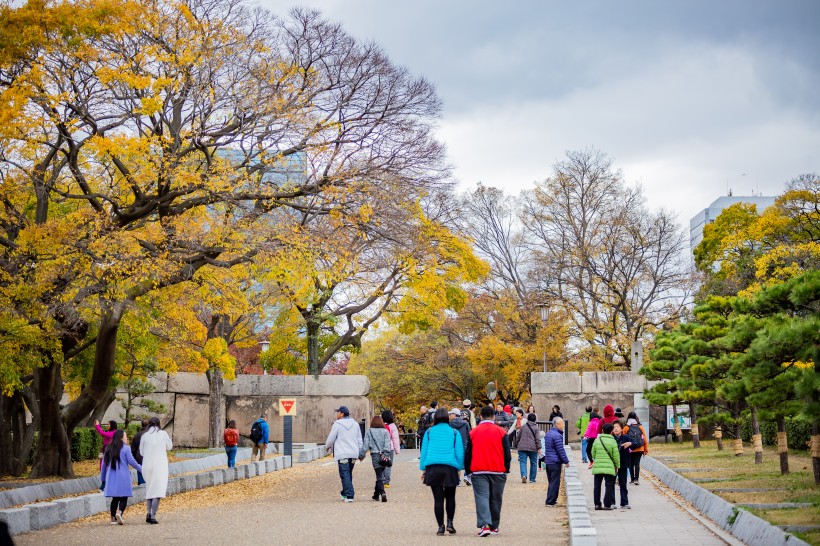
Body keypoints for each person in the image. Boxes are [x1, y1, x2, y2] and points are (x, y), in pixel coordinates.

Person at [465, 405, 511, 537]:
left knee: (482, 497)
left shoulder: (473, 432)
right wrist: (506, 469)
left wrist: (468, 470)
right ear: (494, 416)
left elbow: (468, 453)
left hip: (479, 469)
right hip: (497, 469)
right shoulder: (501, 432)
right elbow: (507, 454)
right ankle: (494, 526)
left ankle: (484, 525)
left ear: (480, 416)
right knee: (496, 498)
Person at [420, 408, 465, 536]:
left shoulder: (429, 432)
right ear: (447, 417)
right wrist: (459, 468)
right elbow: (459, 452)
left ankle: (440, 526)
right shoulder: (454, 432)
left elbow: (424, 452)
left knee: (438, 499)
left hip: (433, 467)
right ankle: (450, 522)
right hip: (450, 467)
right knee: (451, 497)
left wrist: (423, 469)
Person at [100, 429, 142, 525]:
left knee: (115, 498)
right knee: (124, 497)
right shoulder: (126, 448)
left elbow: (104, 465)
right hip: (123, 476)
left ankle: (112, 518)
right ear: (121, 438)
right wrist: (142, 469)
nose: (127, 438)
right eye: (125, 436)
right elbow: (132, 462)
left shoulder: (108, 448)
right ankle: (120, 512)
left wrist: (103, 478)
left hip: (111, 476)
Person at [325, 406, 363, 502]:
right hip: (353, 453)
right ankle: (344, 493)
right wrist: (360, 450)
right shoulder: (355, 424)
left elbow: (331, 438)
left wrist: (327, 446)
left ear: (342, 414)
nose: (337, 414)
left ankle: (350, 495)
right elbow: (359, 439)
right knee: (348, 473)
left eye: (338, 412)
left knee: (344, 474)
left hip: (342, 453)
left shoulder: (337, 424)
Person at [139, 417, 172, 524]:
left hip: (147, 465)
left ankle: (148, 512)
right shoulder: (163, 434)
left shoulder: (145, 435)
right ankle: (153, 516)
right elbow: (169, 446)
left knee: (149, 490)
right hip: (160, 466)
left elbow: (141, 452)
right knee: (158, 491)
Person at [360, 415, 392, 503]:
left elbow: (366, 444)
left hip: (375, 455)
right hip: (384, 456)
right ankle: (376, 495)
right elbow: (388, 444)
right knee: (380, 475)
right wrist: (386, 453)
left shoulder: (369, 431)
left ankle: (382, 492)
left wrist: (361, 455)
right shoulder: (385, 431)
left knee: (379, 476)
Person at [591, 423, 619, 510]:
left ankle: (597, 504)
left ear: (602, 430)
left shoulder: (597, 440)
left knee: (597, 485)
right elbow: (616, 456)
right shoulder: (613, 441)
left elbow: (593, 453)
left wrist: (597, 459)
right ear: (611, 432)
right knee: (609, 485)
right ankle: (607, 504)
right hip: (609, 467)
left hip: (598, 466)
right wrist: (617, 465)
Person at [544, 416, 570, 505]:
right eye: (562, 423)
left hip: (548, 461)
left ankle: (551, 500)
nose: (564, 425)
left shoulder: (548, 434)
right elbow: (560, 450)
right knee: (554, 482)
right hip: (555, 462)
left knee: (551, 482)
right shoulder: (557, 435)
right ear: (558, 424)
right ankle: (550, 501)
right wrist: (566, 461)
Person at [516, 413, 541, 484]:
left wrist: (517, 445)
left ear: (528, 419)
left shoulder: (523, 427)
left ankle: (524, 475)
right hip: (533, 448)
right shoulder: (536, 428)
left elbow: (518, 437)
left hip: (522, 447)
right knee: (533, 463)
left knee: (523, 462)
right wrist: (539, 447)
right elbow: (538, 439)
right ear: (535, 420)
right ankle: (532, 479)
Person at [612, 421, 632, 509]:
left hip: (623, 463)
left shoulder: (626, 437)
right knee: (611, 483)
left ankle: (624, 502)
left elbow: (637, 443)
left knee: (623, 483)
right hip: (612, 464)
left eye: (618, 427)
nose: (616, 428)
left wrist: (630, 443)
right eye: (614, 427)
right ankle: (612, 502)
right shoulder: (610, 438)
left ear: (621, 428)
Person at [624, 412, 648, 485]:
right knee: (637, 463)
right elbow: (644, 439)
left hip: (630, 448)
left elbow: (624, 439)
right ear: (636, 417)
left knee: (630, 464)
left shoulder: (626, 427)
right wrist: (645, 449)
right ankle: (636, 479)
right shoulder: (640, 427)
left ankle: (632, 479)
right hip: (640, 448)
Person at [449, 408, 470, 486]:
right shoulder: (465, 423)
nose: (450, 415)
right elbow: (469, 435)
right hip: (464, 444)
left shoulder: (450, 424)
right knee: (466, 461)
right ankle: (467, 476)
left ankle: (457, 480)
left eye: (451, 414)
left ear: (454, 415)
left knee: (455, 462)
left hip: (454, 445)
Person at [381, 410, 401, 487]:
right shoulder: (392, 426)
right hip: (390, 448)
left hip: (381, 448)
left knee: (381, 463)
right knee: (388, 464)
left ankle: (381, 479)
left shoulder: (380, 425)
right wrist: (397, 450)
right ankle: (386, 482)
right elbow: (395, 439)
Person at [130, 418, 149, 485]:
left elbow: (133, 449)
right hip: (150, 458)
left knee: (141, 475)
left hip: (140, 458)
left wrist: (134, 459)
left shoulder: (137, 435)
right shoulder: (151, 434)